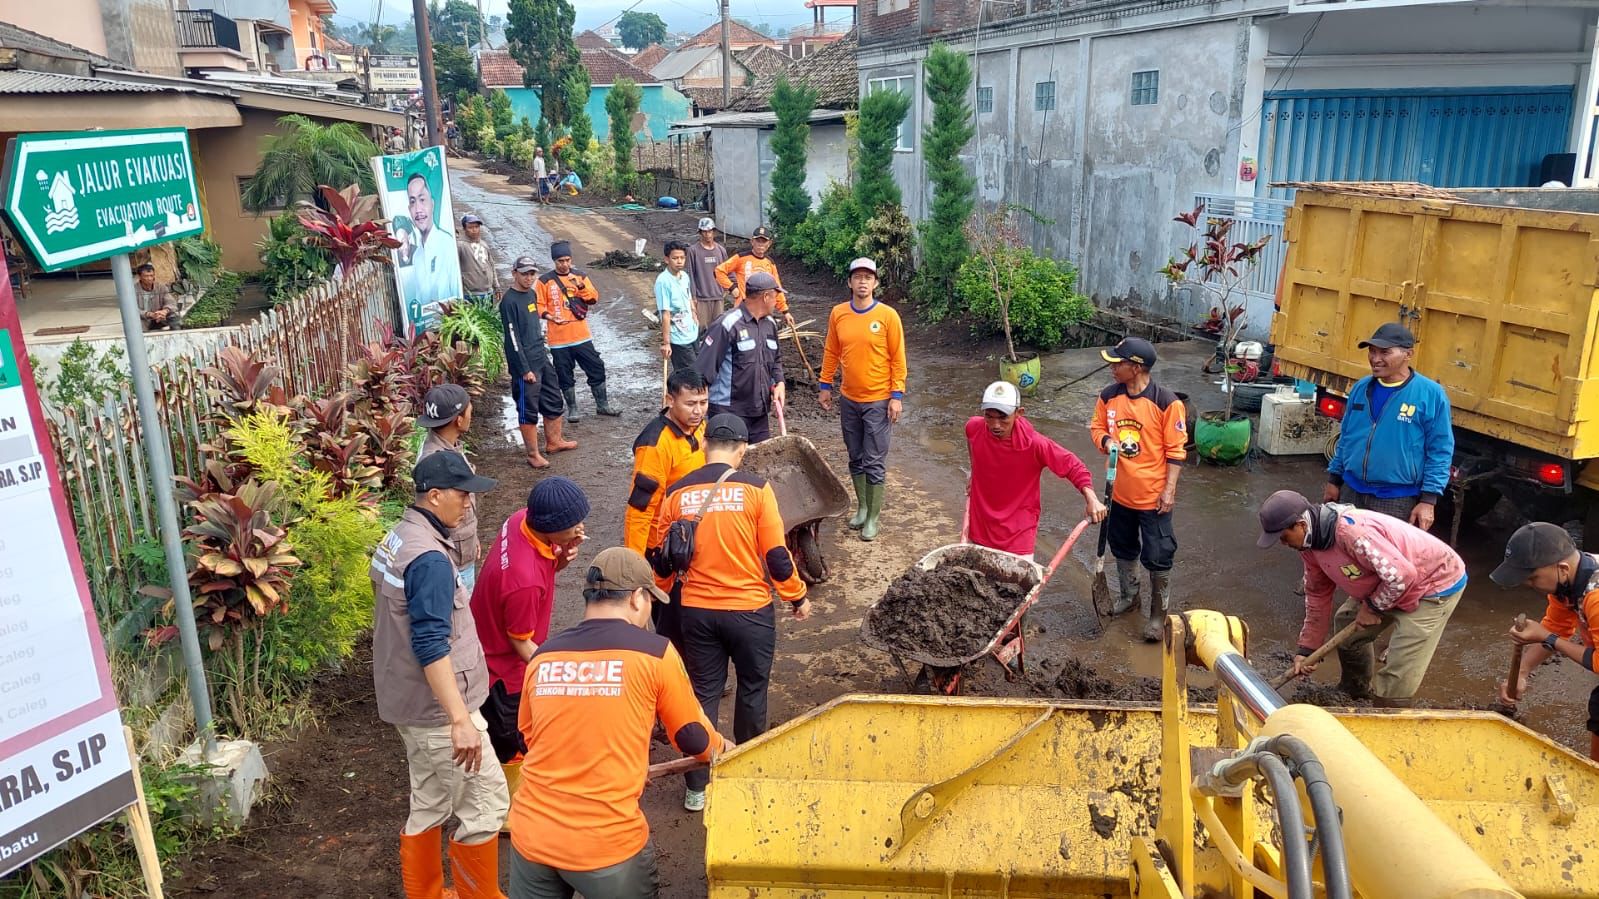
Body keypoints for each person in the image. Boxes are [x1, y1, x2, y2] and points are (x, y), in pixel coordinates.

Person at [507, 548, 728, 898]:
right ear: (638, 598)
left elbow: (528, 739)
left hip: (532, 835)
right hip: (606, 844)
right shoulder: (654, 653)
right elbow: (693, 737)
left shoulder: (544, 655)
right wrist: (724, 751)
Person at [646, 414, 810, 812]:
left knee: (701, 696)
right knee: (752, 691)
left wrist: (662, 595)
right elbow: (776, 556)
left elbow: (662, 559)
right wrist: (797, 597)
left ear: (705, 448)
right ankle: (747, 772)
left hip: (698, 612)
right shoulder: (757, 489)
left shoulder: (678, 492)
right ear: (741, 450)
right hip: (750, 611)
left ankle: (697, 787)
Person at [370, 451, 507, 899]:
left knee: (429, 798)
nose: (468, 504)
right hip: (436, 712)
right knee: (485, 806)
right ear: (435, 495)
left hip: (407, 699)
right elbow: (430, 643)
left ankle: (427, 893)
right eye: (462, 495)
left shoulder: (401, 537)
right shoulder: (428, 559)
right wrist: (460, 720)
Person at [1257, 489, 1466, 707]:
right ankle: (1355, 691)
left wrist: (1374, 607)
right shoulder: (1309, 546)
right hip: (1385, 581)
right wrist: (1307, 649)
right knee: (1346, 621)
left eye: (1283, 537)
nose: (1283, 544)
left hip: (1433, 583)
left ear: (1300, 524)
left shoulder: (1351, 533)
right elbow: (1317, 594)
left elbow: (1402, 576)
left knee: (1401, 663)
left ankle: (1388, 711)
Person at [470, 477, 590, 794]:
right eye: (573, 525)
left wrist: (560, 557)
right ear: (550, 527)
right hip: (501, 670)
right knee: (510, 737)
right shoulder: (523, 582)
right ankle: (510, 800)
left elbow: (542, 567)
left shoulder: (520, 520)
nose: (580, 528)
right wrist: (554, 675)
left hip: (485, 630)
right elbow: (520, 642)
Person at [1090, 337, 1188, 641]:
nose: (1112, 367)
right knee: (1122, 547)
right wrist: (1106, 441)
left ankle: (1158, 616)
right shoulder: (1108, 396)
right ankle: (1130, 598)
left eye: (1118, 363)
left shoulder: (1166, 402)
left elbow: (1176, 451)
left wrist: (1169, 490)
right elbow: (1096, 427)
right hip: (1118, 494)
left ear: (1136, 367)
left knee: (1159, 555)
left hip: (1153, 498)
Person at [1323, 322, 1453, 531]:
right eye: (1372, 352)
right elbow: (1347, 437)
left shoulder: (1430, 394)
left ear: (1408, 354)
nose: (1375, 359)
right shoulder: (1360, 388)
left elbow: (1440, 451)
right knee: (1348, 558)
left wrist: (1428, 500)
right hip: (1351, 491)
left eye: (1384, 352)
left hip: (1396, 499)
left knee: (1384, 560)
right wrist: (1334, 479)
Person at [1490, 522, 1599, 761]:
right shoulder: (1569, 581)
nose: (1529, 586)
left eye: (1532, 578)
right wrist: (1522, 672)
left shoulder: (1595, 596)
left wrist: (1548, 638)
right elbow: (1557, 626)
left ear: (1561, 568)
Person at [816, 258, 907, 542]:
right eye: (858, 277)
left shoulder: (888, 316)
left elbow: (898, 358)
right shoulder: (838, 313)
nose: (863, 282)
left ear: (876, 282)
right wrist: (825, 384)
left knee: (874, 460)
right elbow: (831, 350)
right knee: (855, 456)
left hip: (878, 400)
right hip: (849, 399)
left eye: (868, 277)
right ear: (850, 282)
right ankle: (863, 507)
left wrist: (896, 396)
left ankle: (874, 518)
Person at [966, 381, 1107, 559]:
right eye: (989, 416)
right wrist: (974, 473)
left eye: (1003, 418)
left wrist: (1092, 499)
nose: (995, 425)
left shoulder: (1034, 444)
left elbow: (1074, 466)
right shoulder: (974, 427)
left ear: (1019, 413)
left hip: (1017, 533)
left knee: (1017, 585)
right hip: (981, 524)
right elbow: (971, 442)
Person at [624, 368, 709, 557]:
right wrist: (634, 563)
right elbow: (639, 509)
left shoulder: (700, 426)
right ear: (670, 400)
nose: (698, 411)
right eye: (690, 404)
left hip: (693, 529)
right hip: (665, 543)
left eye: (703, 402)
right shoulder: (655, 445)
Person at [500, 255, 575, 469]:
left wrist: (550, 317)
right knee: (528, 408)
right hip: (525, 365)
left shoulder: (531, 294)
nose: (529, 277)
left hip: (541, 357)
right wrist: (524, 369)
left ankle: (554, 441)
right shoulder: (509, 301)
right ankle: (533, 454)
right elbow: (512, 338)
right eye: (524, 273)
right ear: (514, 273)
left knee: (553, 398)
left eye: (532, 273)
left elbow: (533, 320)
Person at [695, 271, 785, 443]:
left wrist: (779, 383)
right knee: (727, 466)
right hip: (728, 413)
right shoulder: (727, 324)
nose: (777, 301)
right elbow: (703, 371)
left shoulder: (770, 324)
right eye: (775, 295)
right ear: (766, 297)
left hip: (759, 414)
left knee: (759, 464)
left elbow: (776, 360)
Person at [538, 240, 620, 419]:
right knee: (564, 374)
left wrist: (580, 286)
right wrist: (550, 316)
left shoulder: (580, 276)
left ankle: (602, 404)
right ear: (554, 261)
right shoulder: (544, 281)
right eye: (560, 261)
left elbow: (593, 298)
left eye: (567, 260)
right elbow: (539, 305)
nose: (564, 264)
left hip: (582, 336)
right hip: (558, 339)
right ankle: (573, 408)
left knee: (596, 367)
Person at [416, 384, 482, 593]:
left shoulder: (448, 447)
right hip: (454, 563)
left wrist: (473, 539)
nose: (472, 414)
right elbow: (433, 517)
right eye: (469, 410)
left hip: (463, 550)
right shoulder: (436, 462)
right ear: (458, 420)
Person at [714, 225, 795, 328]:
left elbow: (776, 289)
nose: (760, 244)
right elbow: (718, 271)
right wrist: (732, 288)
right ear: (752, 241)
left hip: (763, 312)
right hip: (743, 310)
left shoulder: (770, 263)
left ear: (769, 243)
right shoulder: (741, 258)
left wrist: (785, 311)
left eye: (763, 241)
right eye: (758, 241)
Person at [405, 167, 463, 310]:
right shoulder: (417, 255)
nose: (418, 209)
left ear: (433, 203)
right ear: (409, 209)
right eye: (413, 202)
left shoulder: (447, 244)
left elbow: (457, 295)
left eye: (422, 199)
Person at [656, 241, 699, 372]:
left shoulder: (684, 276)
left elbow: (689, 296)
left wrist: (694, 313)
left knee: (699, 369)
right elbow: (665, 313)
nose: (679, 261)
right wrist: (666, 342)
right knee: (689, 375)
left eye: (682, 258)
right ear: (667, 259)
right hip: (678, 337)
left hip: (692, 331)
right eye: (675, 258)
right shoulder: (663, 282)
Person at [687, 218, 728, 331]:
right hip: (701, 298)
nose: (707, 234)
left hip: (718, 296)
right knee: (700, 328)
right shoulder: (693, 251)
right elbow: (691, 274)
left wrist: (728, 288)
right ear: (700, 233)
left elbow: (727, 270)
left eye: (710, 231)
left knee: (717, 328)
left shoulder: (721, 250)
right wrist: (693, 296)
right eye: (704, 231)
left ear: (714, 232)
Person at [457, 214, 499, 304]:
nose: (474, 230)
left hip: (488, 292)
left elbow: (491, 265)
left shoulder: (484, 244)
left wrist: (496, 286)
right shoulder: (460, 245)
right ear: (464, 229)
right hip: (471, 294)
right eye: (470, 227)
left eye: (477, 227)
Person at [134, 263, 179, 331]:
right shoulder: (132, 290)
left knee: (173, 316)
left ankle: (176, 335)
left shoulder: (161, 287)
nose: (149, 278)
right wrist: (149, 314)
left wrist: (164, 311)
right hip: (143, 319)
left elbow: (171, 302)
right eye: (146, 276)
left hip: (160, 317)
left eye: (151, 275)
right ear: (139, 276)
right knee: (136, 323)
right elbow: (131, 310)